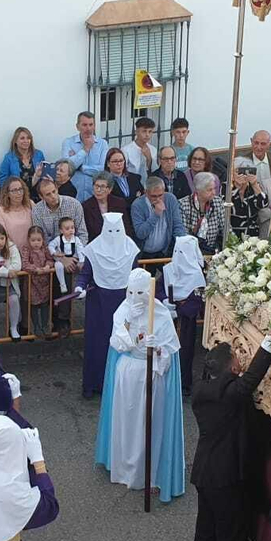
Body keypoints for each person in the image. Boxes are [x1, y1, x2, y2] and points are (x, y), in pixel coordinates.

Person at [192, 338, 271, 541]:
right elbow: (250, 379)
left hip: (205, 472)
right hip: (226, 477)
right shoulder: (229, 394)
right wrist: (268, 345)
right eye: (237, 359)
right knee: (229, 540)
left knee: (206, 532)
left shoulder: (202, 389)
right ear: (230, 368)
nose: (241, 362)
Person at [96, 268, 185, 502]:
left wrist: (158, 349)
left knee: (149, 423)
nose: (135, 296)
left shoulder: (161, 314)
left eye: (140, 292)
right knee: (126, 422)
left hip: (151, 375)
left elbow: (168, 356)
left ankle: (149, 473)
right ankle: (123, 467)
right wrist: (129, 324)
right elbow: (118, 343)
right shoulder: (123, 310)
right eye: (131, 291)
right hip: (128, 374)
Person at [78, 212, 136, 396]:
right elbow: (85, 273)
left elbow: (136, 276)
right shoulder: (94, 249)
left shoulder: (130, 248)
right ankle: (94, 384)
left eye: (116, 231)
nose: (113, 235)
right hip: (98, 303)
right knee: (97, 343)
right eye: (109, 230)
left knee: (122, 340)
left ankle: (118, 385)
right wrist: (79, 287)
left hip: (123, 301)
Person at [163, 233, 207, 382]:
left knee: (184, 352)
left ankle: (183, 382)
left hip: (186, 323)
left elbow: (197, 301)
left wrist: (179, 311)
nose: (178, 256)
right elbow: (159, 289)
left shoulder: (197, 276)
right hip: (167, 319)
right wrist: (164, 302)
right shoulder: (168, 270)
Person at [132, 176, 186, 259]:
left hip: (165, 251)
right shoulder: (137, 205)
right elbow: (140, 234)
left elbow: (177, 225)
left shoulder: (170, 199)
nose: (157, 199)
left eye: (160, 195)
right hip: (144, 253)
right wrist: (156, 214)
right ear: (145, 192)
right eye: (153, 196)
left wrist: (181, 244)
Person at [60, 111, 108, 202]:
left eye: (91, 124)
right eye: (84, 125)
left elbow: (101, 169)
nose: (88, 128)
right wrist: (85, 149)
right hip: (73, 193)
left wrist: (80, 167)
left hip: (94, 194)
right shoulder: (68, 142)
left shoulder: (102, 144)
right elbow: (67, 168)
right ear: (77, 127)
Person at [21, 225, 56, 339]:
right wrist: (35, 269)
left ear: (43, 240)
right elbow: (25, 264)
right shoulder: (26, 249)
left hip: (44, 281)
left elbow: (50, 259)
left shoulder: (45, 248)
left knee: (45, 304)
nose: (36, 243)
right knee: (34, 305)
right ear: (29, 239)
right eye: (33, 240)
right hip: (32, 283)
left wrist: (47, 266)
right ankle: (36, 325)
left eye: (39, 240)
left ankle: (45, 325)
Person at [51, 217, 85, 335]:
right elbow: (50, 246)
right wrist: (55, 254)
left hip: (74, 261)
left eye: (72, 228)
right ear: (61, 230)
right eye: (67, 228)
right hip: (61, 260)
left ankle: (81, 289)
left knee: (81, 273)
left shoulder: (76, 240)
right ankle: (62, 283)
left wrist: (81, 260)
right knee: (58, 266)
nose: (71, 230)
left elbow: (81, 250)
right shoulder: (58, 240)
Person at [31, 177, 87, 246]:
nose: (53, 196)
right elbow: (41, 239)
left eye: (54, 191)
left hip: (75, 249)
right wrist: (54, 253)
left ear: (57, 189)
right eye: (48, 194)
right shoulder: (37, 210)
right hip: (50, 252)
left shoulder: (74, 204)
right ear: (41, 197)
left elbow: (82, 234)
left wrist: (75, 253)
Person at [82, 173, 135, 243]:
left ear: (110, 189)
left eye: (102, 187)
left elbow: (126, 227)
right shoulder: (86, 206)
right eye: (96, 186)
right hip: (96, 245)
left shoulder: (119, 203)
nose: (98, 190)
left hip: (118, 244)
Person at [182, 172, 227, 255]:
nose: (214, 192)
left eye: (214, 188)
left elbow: (226, 229)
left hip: (213, 250)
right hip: (191, 252)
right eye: (209, 190)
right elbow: (184, 236)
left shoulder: (218, 202)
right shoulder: (183, 205)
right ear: (198, 190)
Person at [0, 177, 36, 259]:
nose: (19, 193)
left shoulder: (30, 204)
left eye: (20, 189)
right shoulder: (1, 210)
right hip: (12, 253)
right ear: (7, 193)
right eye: (14, 191)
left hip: (33, 251)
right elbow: (2, 235)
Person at [229, 164, 271, 239]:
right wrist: (237, 188)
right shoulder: (226, 187)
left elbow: (263, 205)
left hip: (252, 231)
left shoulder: (253, 187)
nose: (242, 175)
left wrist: (255, 185)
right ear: (232, 174)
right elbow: (226, 206)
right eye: (238, 171)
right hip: (232, 231)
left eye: (245, 171)